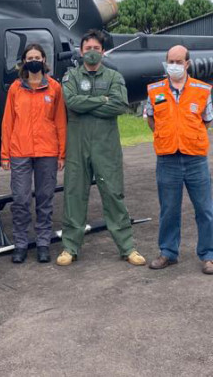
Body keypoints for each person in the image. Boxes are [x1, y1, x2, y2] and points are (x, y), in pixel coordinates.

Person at [56, 29, 145, 267]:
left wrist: (88, 104)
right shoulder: (71, 76)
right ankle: (70, 247)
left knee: (113, 193)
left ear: (103, 51)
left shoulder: (114, 76)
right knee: (74, 194)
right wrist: (102, 100)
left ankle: (127, 247)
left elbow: (119, 105)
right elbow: (71, 102)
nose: (92, 52)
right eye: (88, 49)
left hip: (106, 146)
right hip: (78, 145)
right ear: (80, 51)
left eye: (96, 48)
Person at [146, 45, 213, 275]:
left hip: (195, 158)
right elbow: (151, 118)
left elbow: (207, 120)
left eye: (179, 62)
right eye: (171, 61)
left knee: (204, 209)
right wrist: (168, 135)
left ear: (187, 63)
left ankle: (209, 255)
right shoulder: (154, 90)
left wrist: (188, 135)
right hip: (167, 158)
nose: (174, 65)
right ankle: (168, 252)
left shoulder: (202, 89)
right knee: (168, 209)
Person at [1, 44, 67, 264]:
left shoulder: (54, 88)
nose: (34, 61)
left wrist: (62, 153)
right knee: (20, 199)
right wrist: (5, 154)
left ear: (44, 60)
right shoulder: (15, 89)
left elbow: (60, 122)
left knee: (45, 199)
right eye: (29, 58)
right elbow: (8, 122)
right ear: (24, 62)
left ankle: (43, 243)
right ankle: (20, 244)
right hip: (20, 151)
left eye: (37, 57)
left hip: (47, 151)